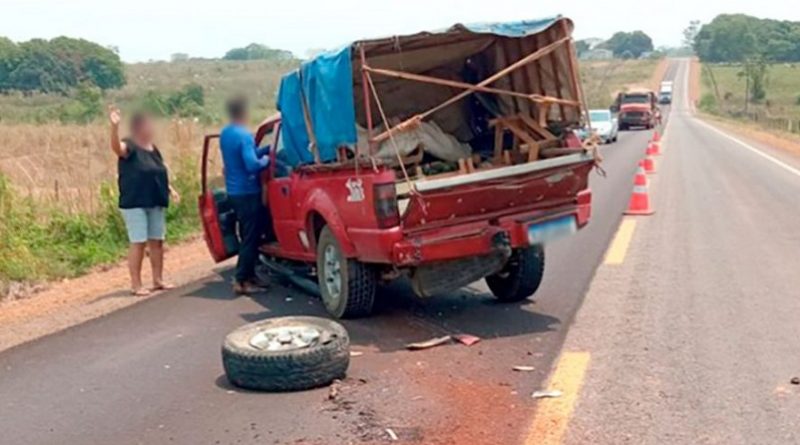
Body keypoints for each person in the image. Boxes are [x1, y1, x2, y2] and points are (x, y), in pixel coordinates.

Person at [109, 106, 180, 296]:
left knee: (157, 241)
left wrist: (170, 189)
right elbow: (117, 149)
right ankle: (136, 284)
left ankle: (158, 279)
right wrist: (114, 127)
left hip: (155, 199)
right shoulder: (129, 144)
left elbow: (158, 170)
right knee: (138, 242)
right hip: (135, 202)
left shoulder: (152, 147)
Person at [219, 97, 271, 295]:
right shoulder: (244, 135)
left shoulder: (226, 133)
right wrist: (266, 159)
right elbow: (251, 164)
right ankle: (242, 279)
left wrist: (264, 149)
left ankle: (249, 276)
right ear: (243, 112)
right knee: (252, 237)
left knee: (246, 234)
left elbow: (243, 155)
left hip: (234, 191)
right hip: (248, 191)